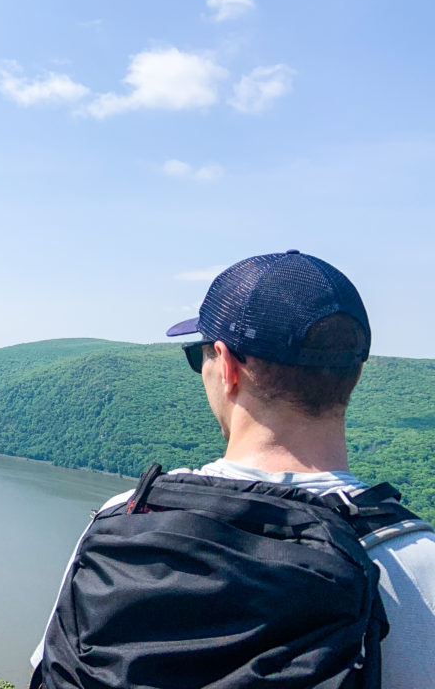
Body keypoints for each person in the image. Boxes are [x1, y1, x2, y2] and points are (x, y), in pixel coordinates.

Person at [31, 249, 435, 687]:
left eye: (197, 356)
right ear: (356, 372)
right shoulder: (419, 565)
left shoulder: (126, 518)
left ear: (226, 366)